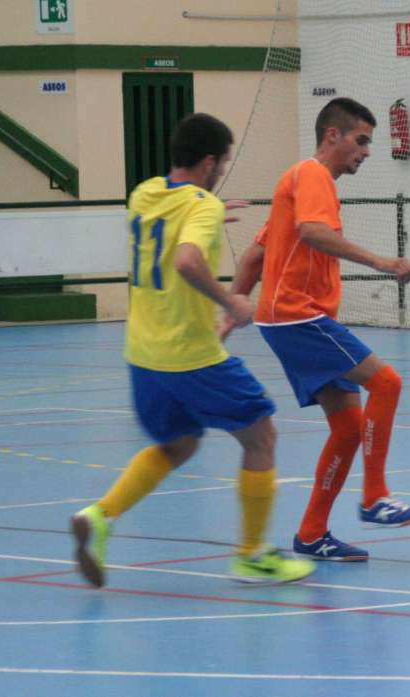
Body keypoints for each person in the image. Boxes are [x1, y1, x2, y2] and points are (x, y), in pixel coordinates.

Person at [70, 113, 314, 586]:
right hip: (190, 355)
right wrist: (231, 301)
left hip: (143, 356)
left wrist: (209, 208)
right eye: (222, 162)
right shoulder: (202, 207)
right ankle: (252, 555)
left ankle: (100, 516)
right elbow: (186, 260)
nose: (222, 170)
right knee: (261, 436)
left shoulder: (144, 194)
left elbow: (173, 224)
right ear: (208, 162)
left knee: (178, 444)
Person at [227, 97, 410, 562]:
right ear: (333, 135)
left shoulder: (300, 181)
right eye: (362, 140)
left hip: (291, 318)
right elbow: (314, 232)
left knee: (349, 427)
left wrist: (232, 307)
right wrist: (381, 262)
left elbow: (256, 254)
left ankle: (312, 533)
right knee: (387, 383)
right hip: (298, 315)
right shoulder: (313, 174)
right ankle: (375, 497)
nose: (367, 151)